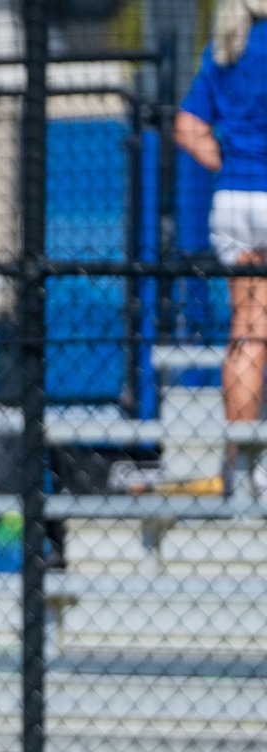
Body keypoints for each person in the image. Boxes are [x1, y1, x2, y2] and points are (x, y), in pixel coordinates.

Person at [178, 0, 267, 494]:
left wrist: (232, 164)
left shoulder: (226, 45)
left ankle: (241, 465)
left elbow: (187, 126)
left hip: (234, 200)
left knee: (249, 331)